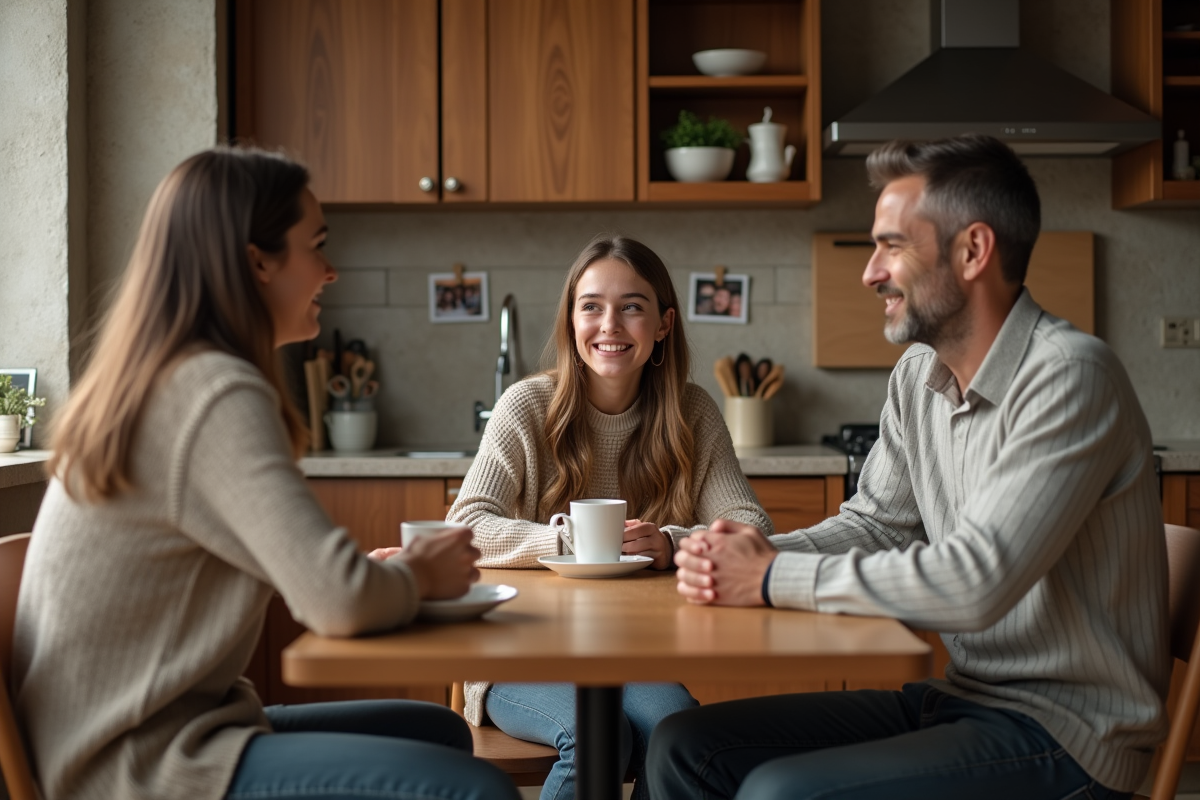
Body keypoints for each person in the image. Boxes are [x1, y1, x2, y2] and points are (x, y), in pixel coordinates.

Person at [649, 134, 1170, 800]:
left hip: (1071, 734)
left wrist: (771, 575)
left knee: (782, 792)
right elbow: (876, 525)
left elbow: (977, 581)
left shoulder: (1069, 376)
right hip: (964, 697)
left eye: (892, 246)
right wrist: (737, 557)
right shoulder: (919, 373)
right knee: (685, 746)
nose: (870, 272)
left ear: (973, 251)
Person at [13, 147, 519, 800]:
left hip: (150, 734)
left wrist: (374, 576)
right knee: (473, 787)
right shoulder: (212, 393)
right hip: (139, 763)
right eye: (317, 246)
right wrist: (416, 575)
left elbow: (302, 574)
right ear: (258, 262)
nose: (331, 271)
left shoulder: (171, 379)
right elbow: (337, 602)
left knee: (439, 732)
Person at [447, 234, 774, 800]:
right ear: (571, 321)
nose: (610, 325)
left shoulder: (692, 411)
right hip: (518, 654)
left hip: (634, 656)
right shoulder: (525, 406)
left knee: (683, 734)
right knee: (598, 738)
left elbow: (752, 528)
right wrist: (569, 541)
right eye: (592, 306)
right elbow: (467, 525)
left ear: (664, 324)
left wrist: (671, 542)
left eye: (632, 307)